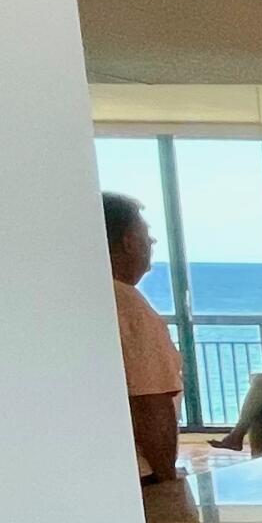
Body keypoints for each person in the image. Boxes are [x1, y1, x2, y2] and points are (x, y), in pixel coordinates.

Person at [105, 192, 183, 482]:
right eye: (145, 233)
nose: (151, 242)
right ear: (127, 241)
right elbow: (151, 403)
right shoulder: (128, 306)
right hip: (141, 474)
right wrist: (167, 479)